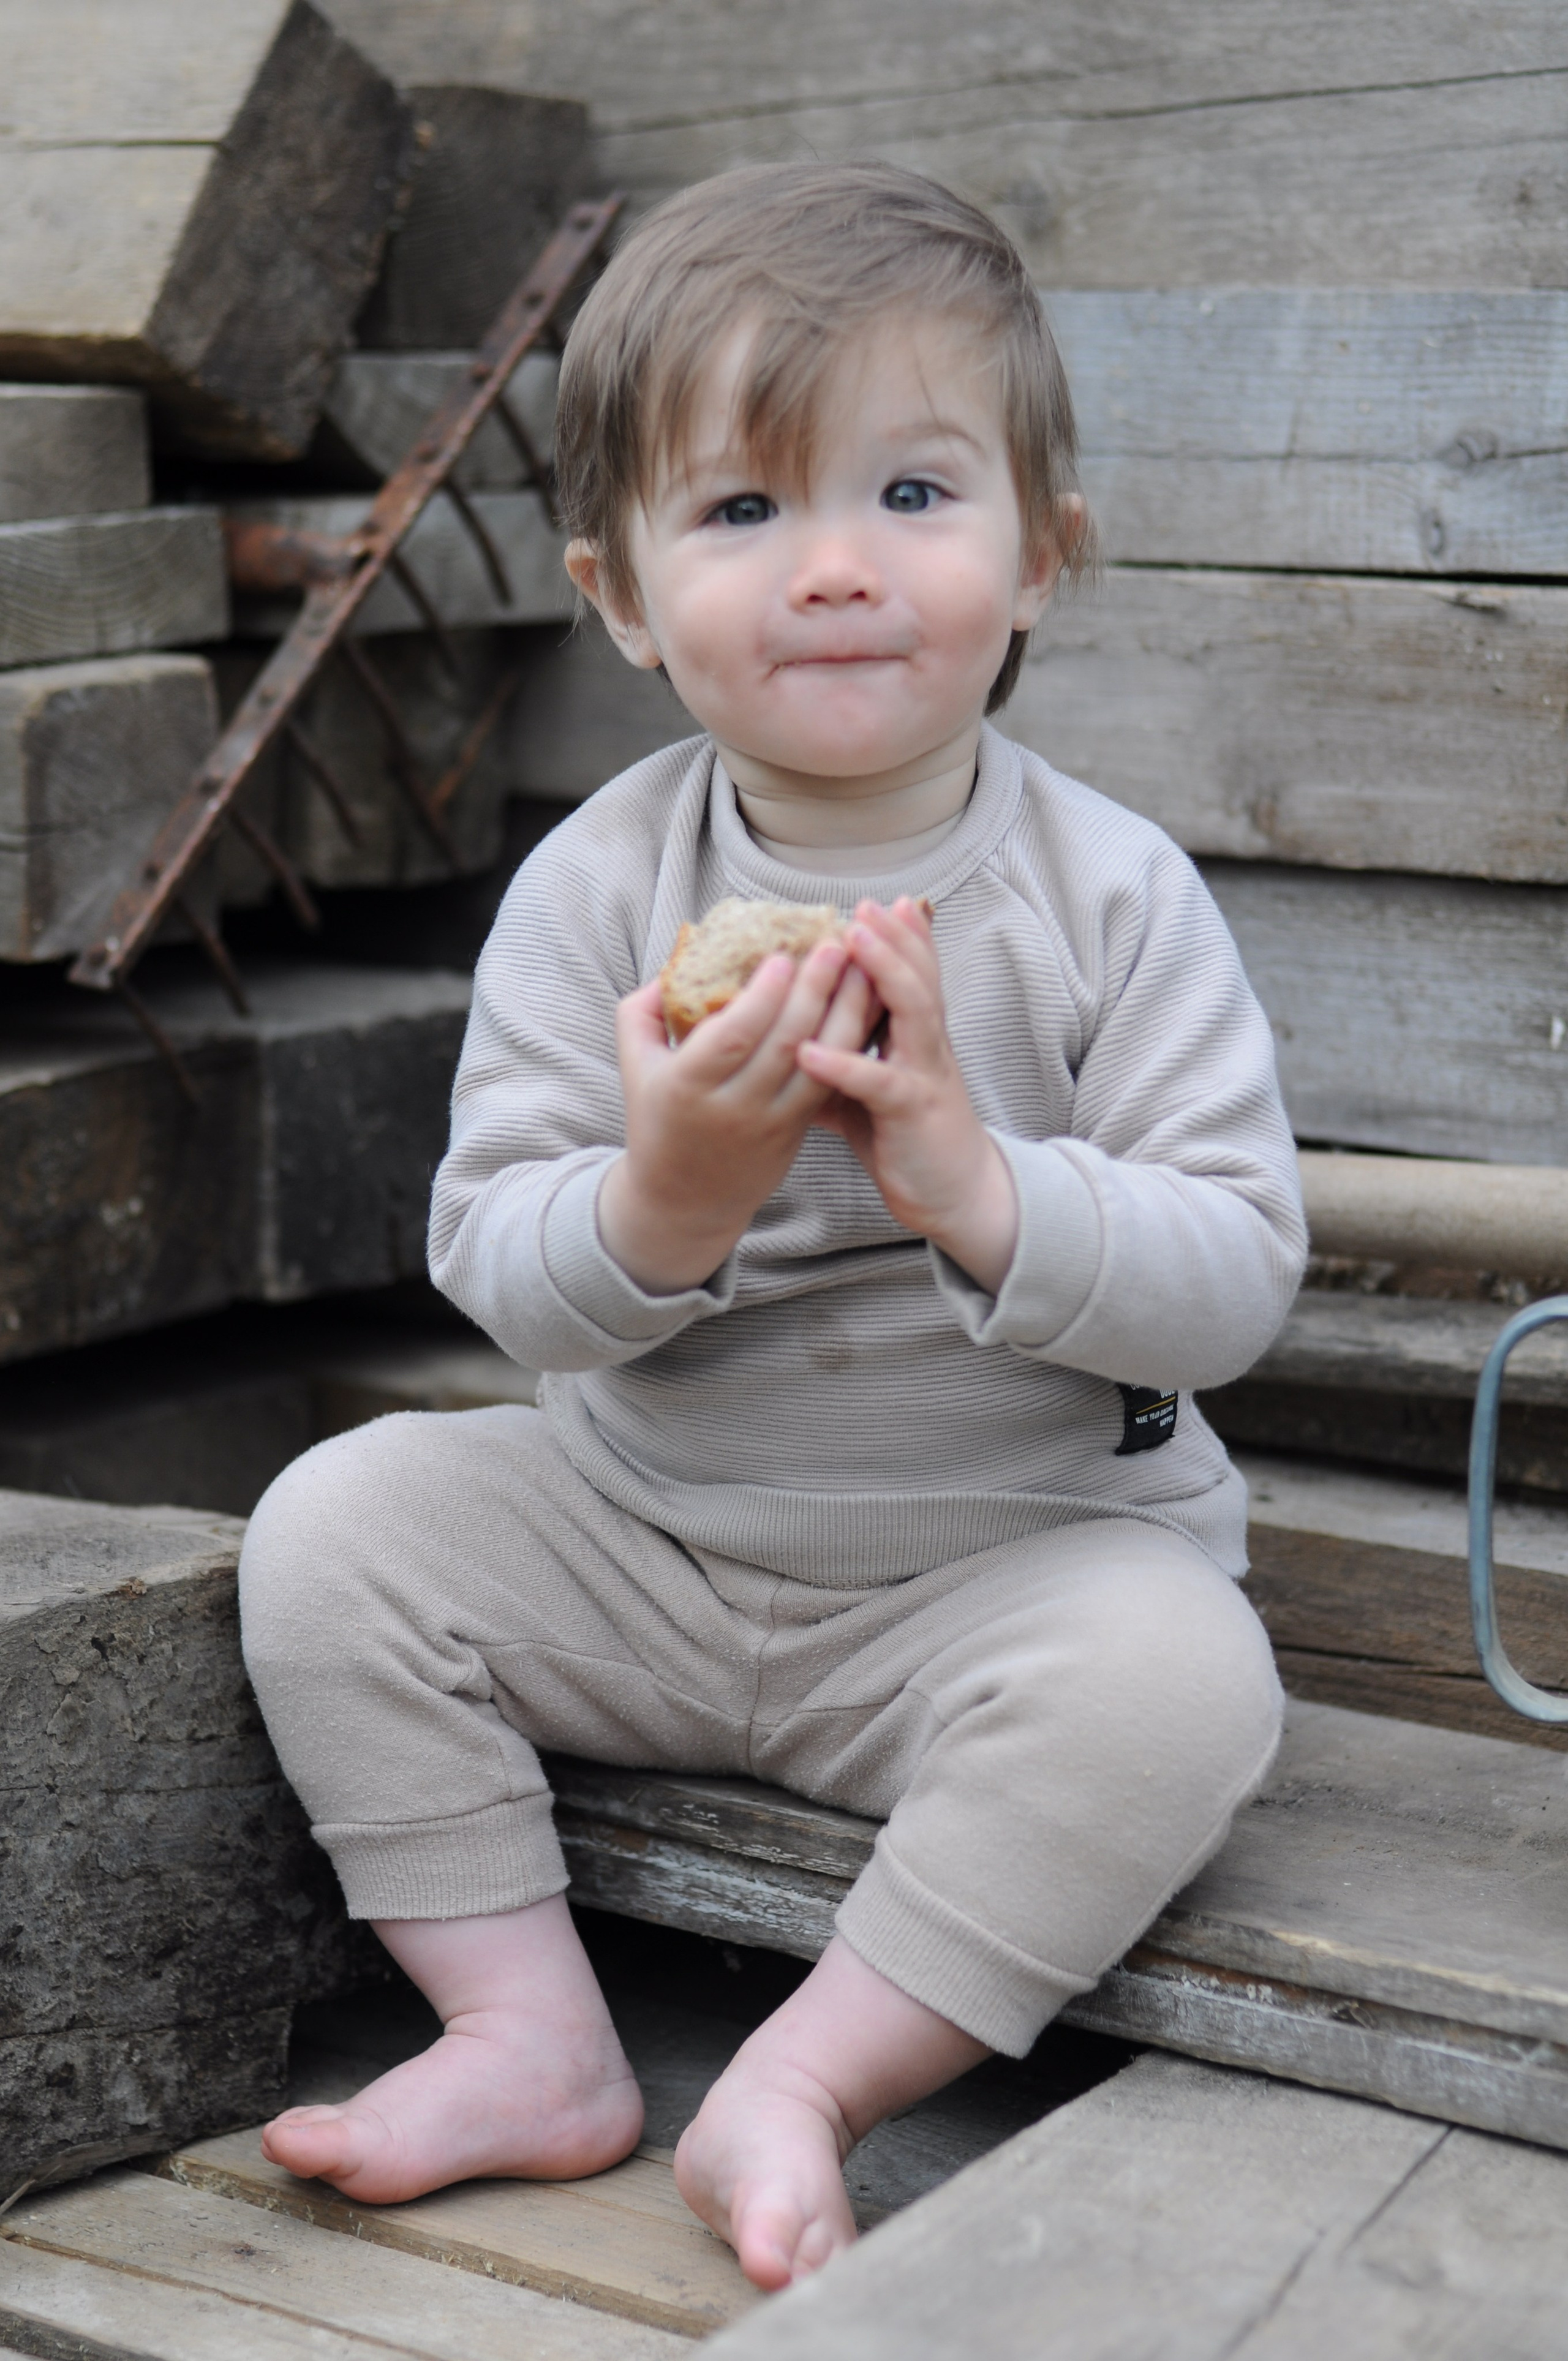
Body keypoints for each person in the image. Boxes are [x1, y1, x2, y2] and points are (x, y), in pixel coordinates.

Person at [238, 160, 1306, 2291]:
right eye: (742, 514)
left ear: (1042, 560)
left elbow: (1237, 1274)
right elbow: (494, 1252)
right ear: (620, 595)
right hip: (644, 1545)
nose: (831, 569)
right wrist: (667, 1199)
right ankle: (527, 2031)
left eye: (912, 494)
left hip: (1001, 1575)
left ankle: (808, 2077)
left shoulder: (1110, 901)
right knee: (334, 1529)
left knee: (1186, 1683)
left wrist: (978, 1190)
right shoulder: (598, 893)